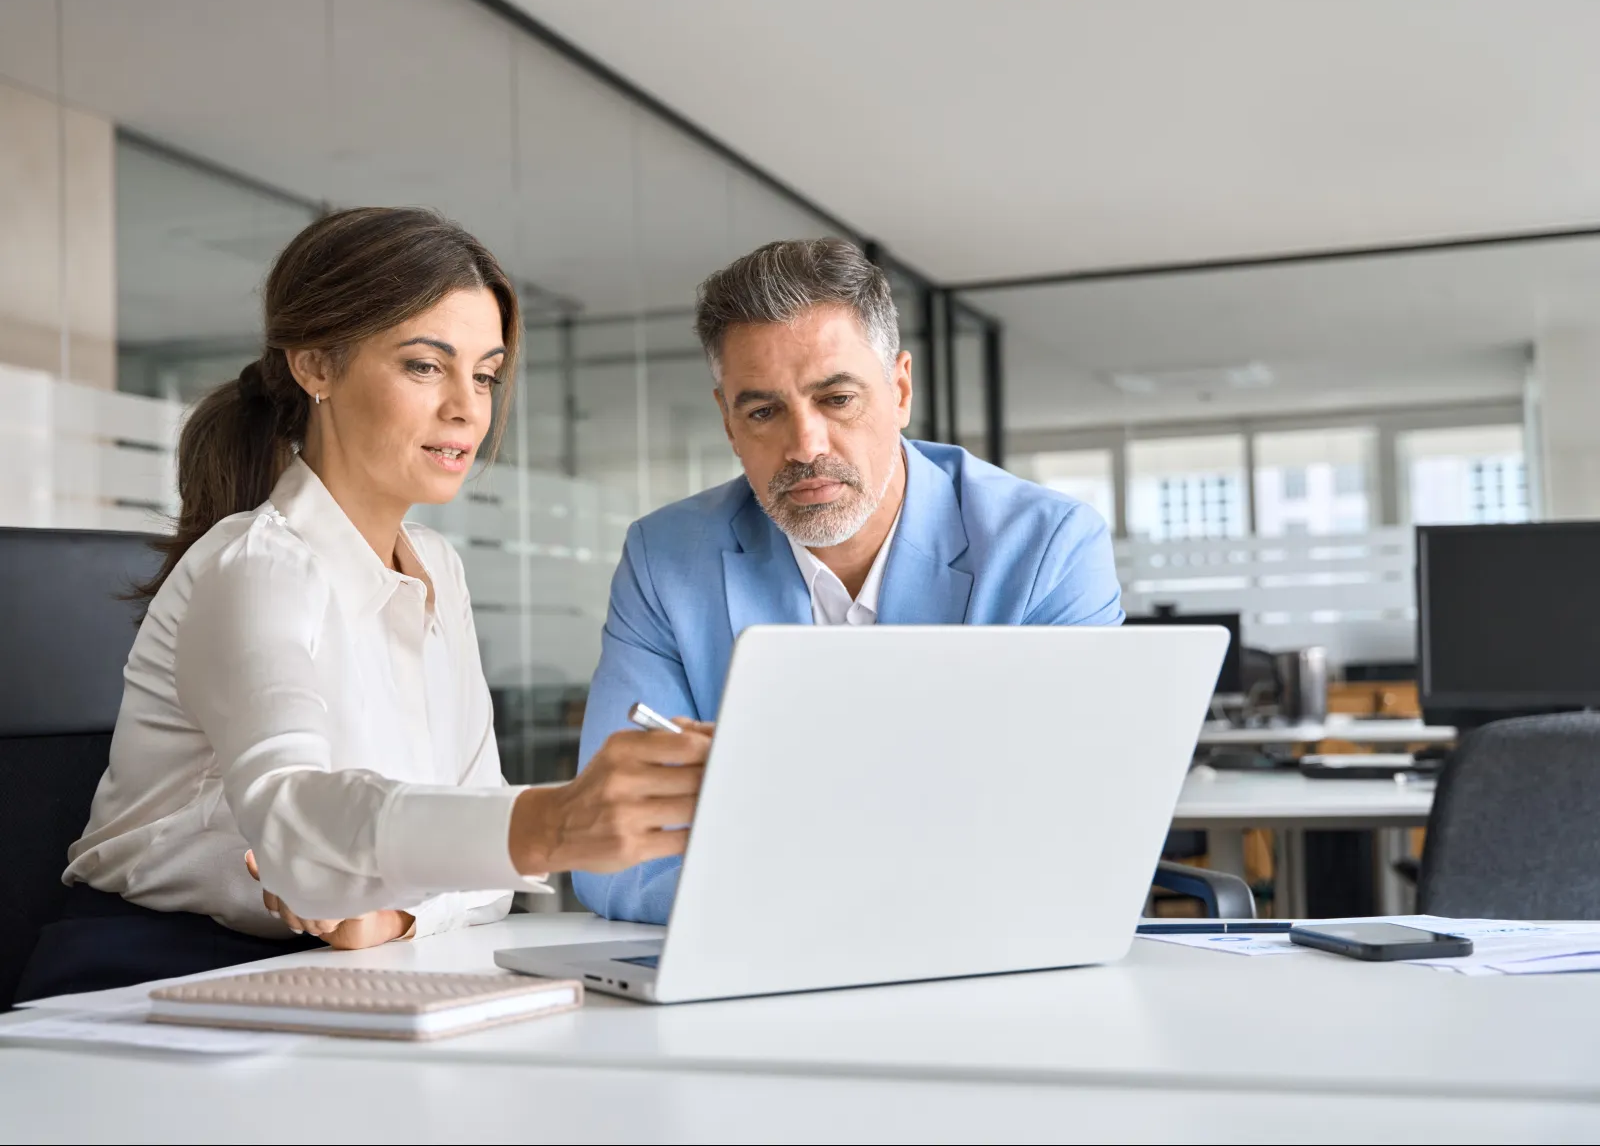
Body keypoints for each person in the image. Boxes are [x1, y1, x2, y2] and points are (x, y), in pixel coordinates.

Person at [16, 208, 710, 1001]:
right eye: (425, 366)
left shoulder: (438, 570)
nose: (467, 409)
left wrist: (395, 919)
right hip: (146, 979)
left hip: (342, 968)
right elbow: (291, 818)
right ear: (314, 365)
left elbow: (485, 882)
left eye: (483, 374)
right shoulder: (257, 565)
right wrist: (548, 824)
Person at [574, 238, 1123, 924]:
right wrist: (832, 914)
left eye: (836, 398)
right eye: (764, 411)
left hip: (982, 962)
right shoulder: (666, 559)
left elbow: (1074, 822)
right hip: (752, 972)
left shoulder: (1047, 547)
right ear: (728, 421)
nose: (806, 446)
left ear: (899, 390)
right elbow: (610, 847)